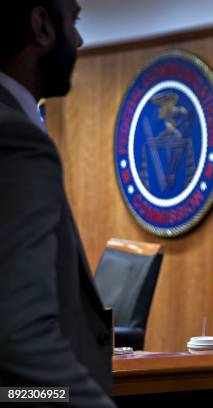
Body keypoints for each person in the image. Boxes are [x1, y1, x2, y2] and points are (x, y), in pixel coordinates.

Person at [0, 1, 116, 406]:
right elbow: (19, 337)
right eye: (75, 20)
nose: (80, 39)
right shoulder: (15, 139)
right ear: (42, 25)